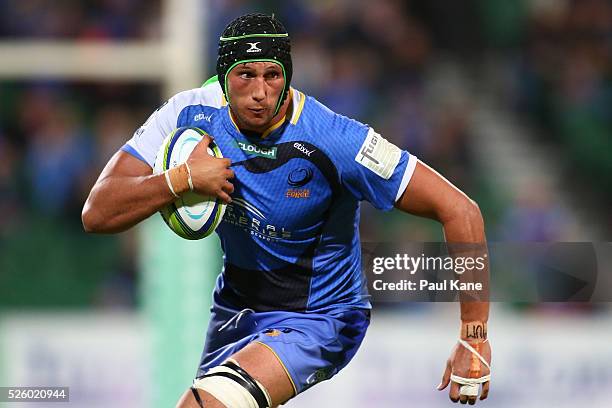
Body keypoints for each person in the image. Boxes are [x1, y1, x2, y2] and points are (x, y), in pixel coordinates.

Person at [82, 13, 491, 408]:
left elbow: (460, 209)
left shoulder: (337, 141)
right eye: (246, 75)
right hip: (235, 309)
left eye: (272, 75)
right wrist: (181, 179)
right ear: (224, 79)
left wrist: (473, 336)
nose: (260, 91)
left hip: (321, 319)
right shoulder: (188, 114)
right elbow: (97, 212)